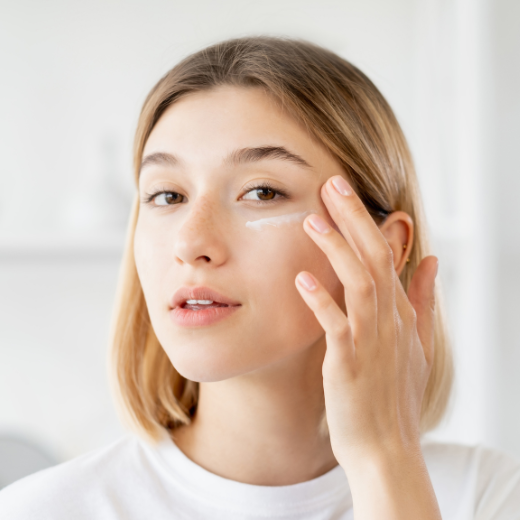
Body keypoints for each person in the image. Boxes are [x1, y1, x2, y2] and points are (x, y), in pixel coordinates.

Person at [1, 36, 519, 520]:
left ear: (383, 247)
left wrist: (385, 462)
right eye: (168, 196)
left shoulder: (486, 497)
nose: (190, 243)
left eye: (262, 192)